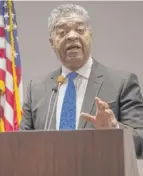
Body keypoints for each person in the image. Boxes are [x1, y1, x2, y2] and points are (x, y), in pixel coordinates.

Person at [19, 4, 143, 156]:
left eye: (79, 30)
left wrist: (115, 129)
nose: (72, 36)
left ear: (90, 35)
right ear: (52, 42)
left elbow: (141, 141)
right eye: (62, 32)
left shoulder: (122, 83)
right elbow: (22, 145)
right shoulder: (36, 89)